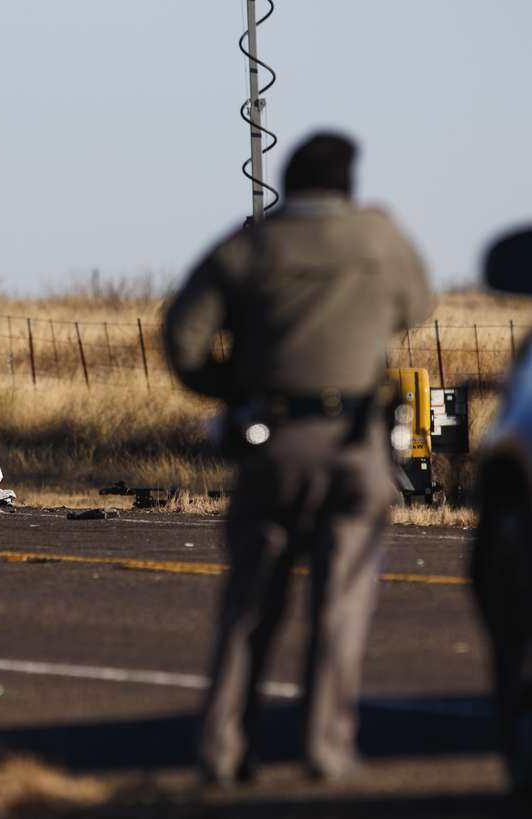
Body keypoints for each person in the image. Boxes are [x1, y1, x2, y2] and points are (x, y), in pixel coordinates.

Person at [163, 131, 432, 783]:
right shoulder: (379, 240)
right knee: (341, 603)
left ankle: (223, 746)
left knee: (253, 600)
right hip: (355, 444)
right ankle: (325, 746)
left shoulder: (250, 245)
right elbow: (418, 306)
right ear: (348, 182)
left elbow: (184, 337)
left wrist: (234, 389)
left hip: (273, 440)